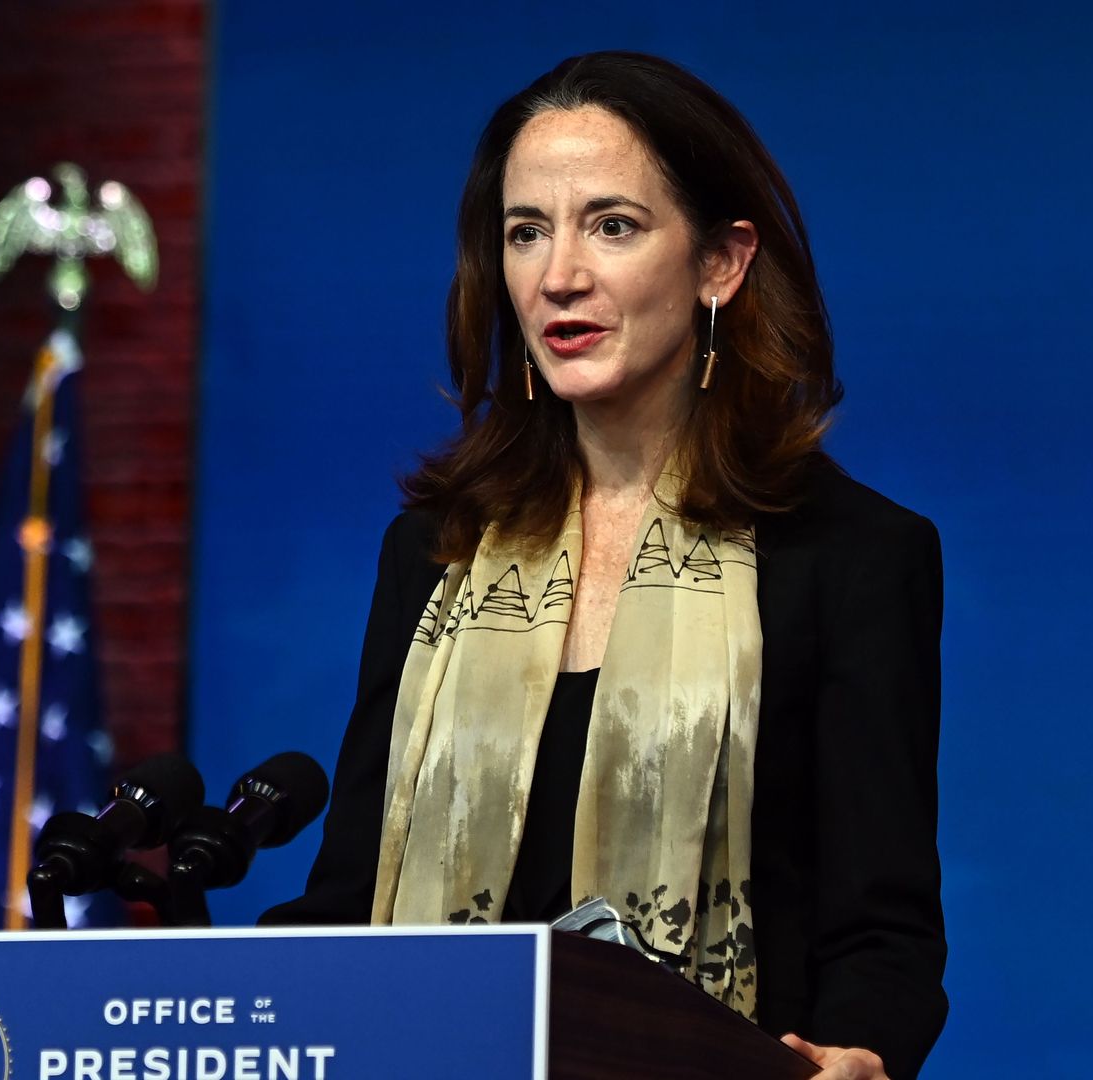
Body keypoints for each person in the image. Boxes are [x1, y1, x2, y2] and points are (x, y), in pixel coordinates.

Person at [259, 52, 947, 1080]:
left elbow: (881, 937)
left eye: (611, 226)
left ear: (721, 262)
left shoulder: (850, 557)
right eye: (526, 231)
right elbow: (355, 892)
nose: (558, 275)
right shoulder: (437, 552)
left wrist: (860, 1056)